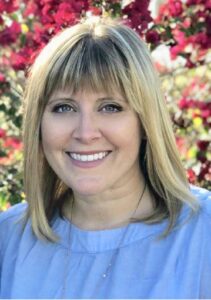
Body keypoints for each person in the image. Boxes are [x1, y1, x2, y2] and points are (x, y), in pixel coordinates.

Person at [0, 17, 211, 299]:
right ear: (38, 124)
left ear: (145, 122)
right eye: (63, 108)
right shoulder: (9, 239)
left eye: (110, 107)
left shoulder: (202, 234)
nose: (86, 133)